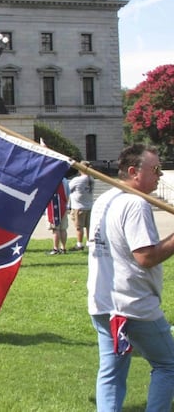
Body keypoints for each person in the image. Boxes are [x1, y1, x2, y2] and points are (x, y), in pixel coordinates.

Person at [87, 144, 174, 411]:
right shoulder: (136, 204)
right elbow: (145, 257)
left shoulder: (104, 199)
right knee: (168, 365)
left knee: (111, 372)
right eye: (155, 169)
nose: (160, 174)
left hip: (102, 304)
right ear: (134, 172)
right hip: (133, 306)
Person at [69, 163, 94, 251]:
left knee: (78, 227)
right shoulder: (91, 179)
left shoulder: (77, 180)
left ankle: (79, 244)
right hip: (89, 205)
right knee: (88, 226)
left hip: (78, 206)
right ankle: (89, 242)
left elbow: (69, 189)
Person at [46, 176, 70, 255]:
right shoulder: (65, 180)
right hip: (63, 205)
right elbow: (68, 193)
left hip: (54, 206)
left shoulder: (50, 179)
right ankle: (63, 247)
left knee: (56, 229)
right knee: (63, 229)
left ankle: (56, 248)